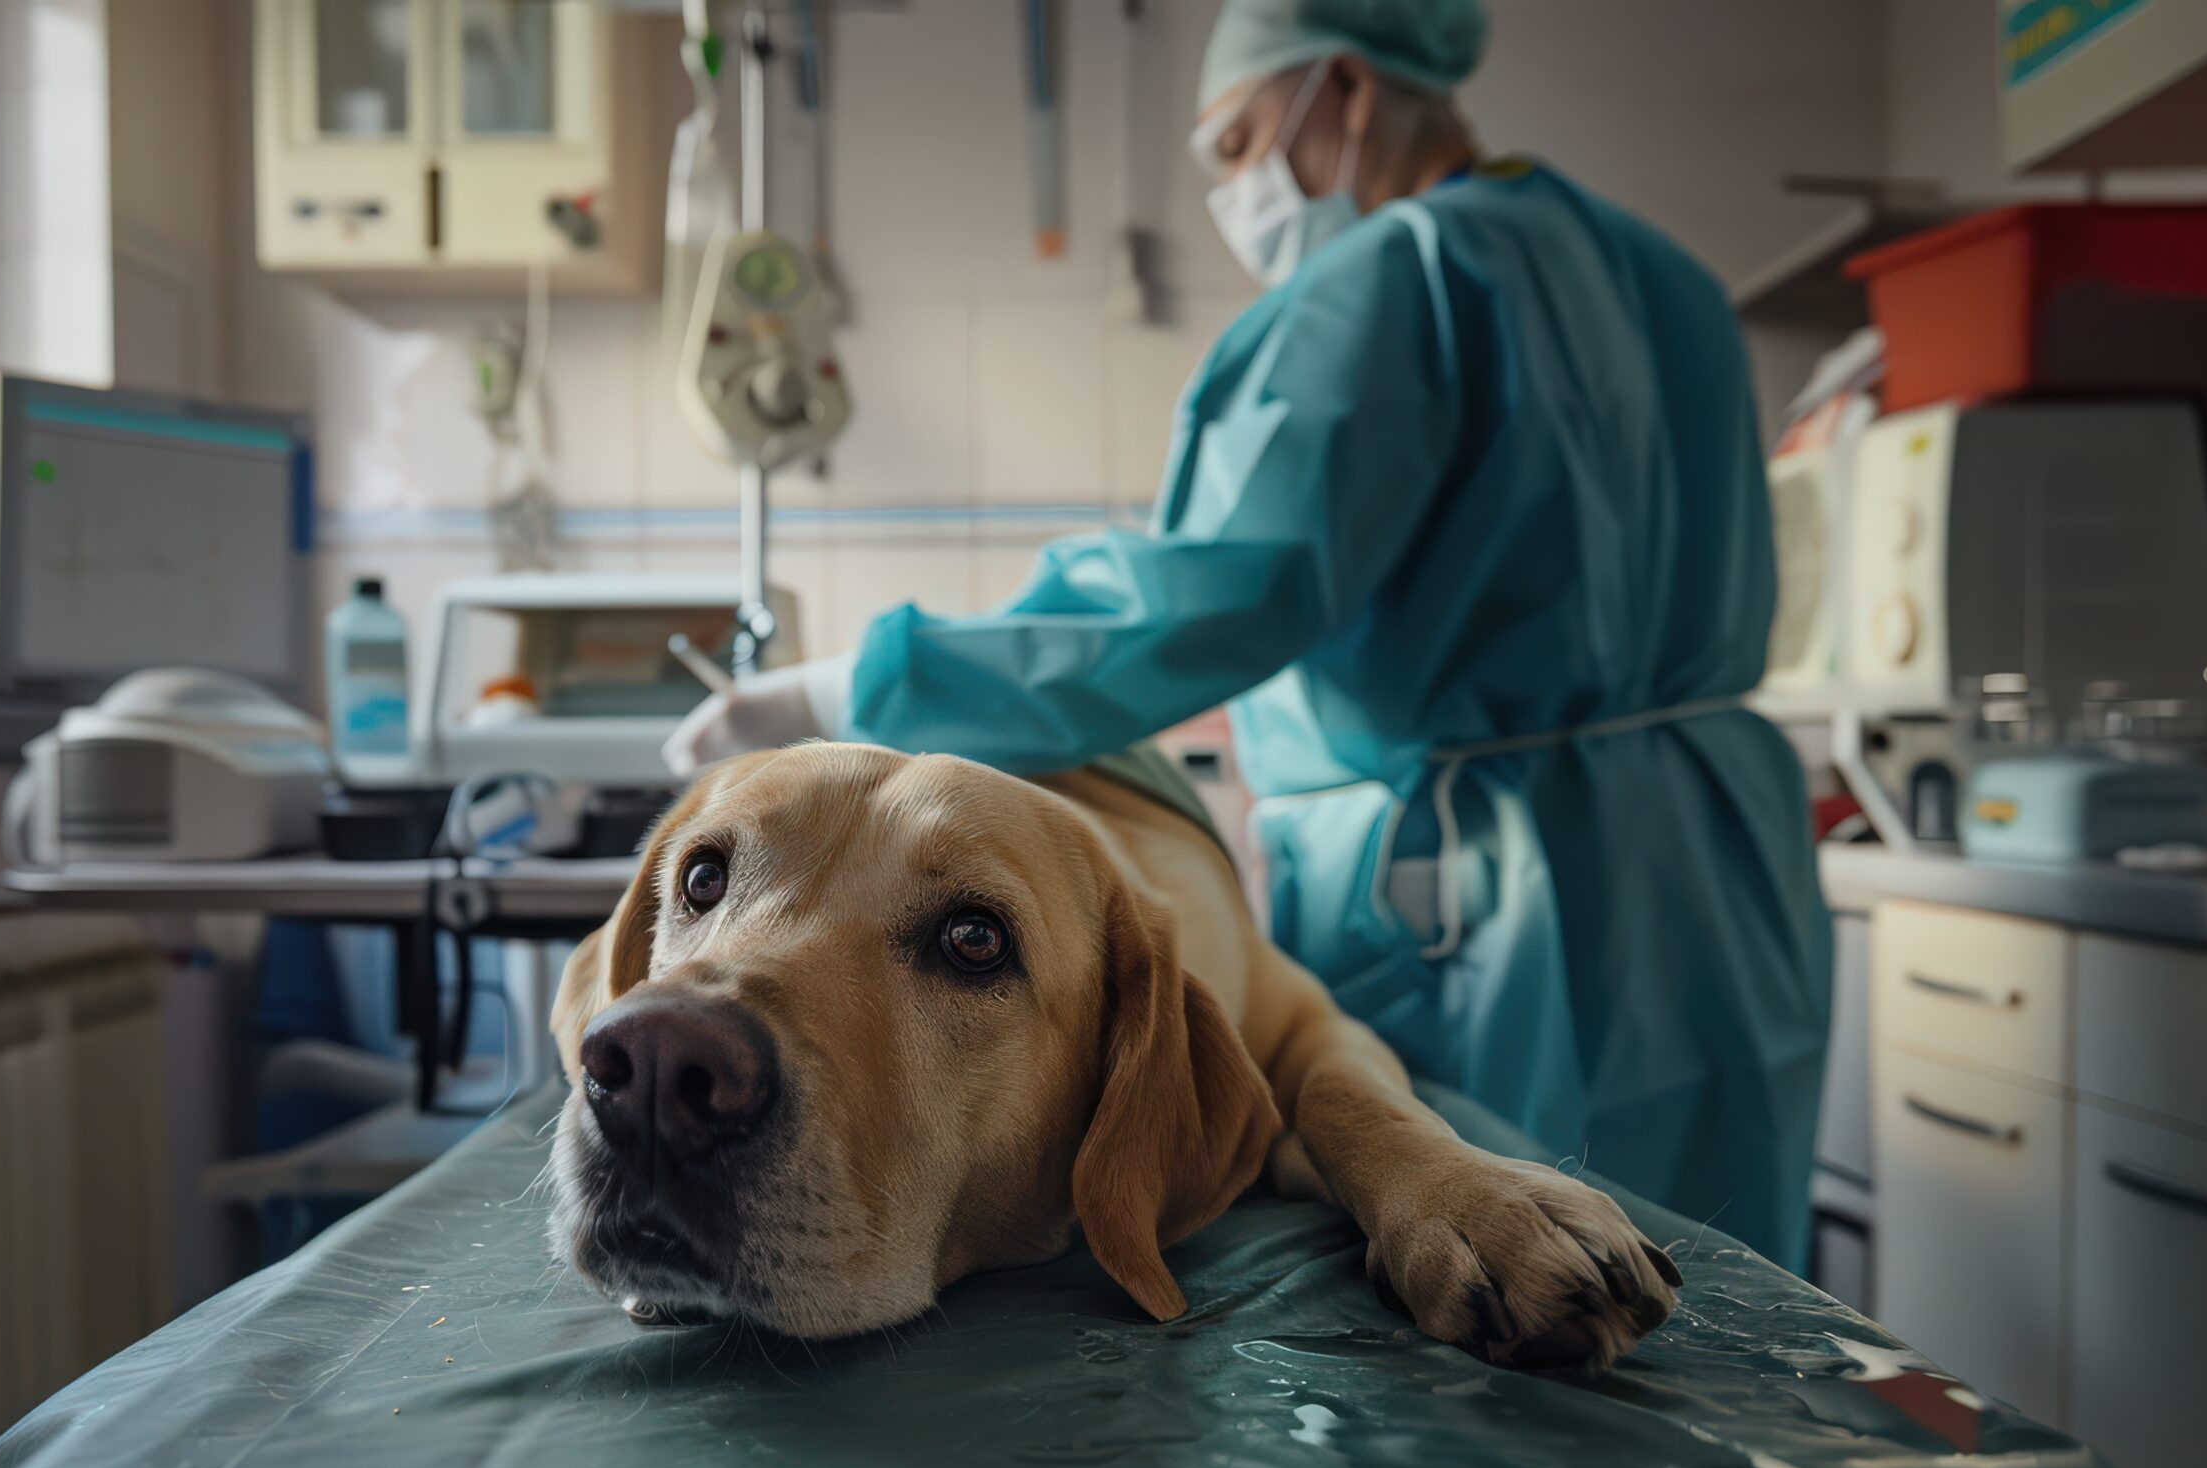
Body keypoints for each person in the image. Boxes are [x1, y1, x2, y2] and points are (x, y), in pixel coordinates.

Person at [662, 0, 1832, 1269]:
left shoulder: (1390, 287)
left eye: (1232, 147)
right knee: (1734, 1315)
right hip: (1725, 868)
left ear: (1340, 91)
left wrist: (862, 684)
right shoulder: (1671, 286)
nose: (1233, 191)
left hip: (1496, 899)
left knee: (1515, 1300)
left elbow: (1202, 597)